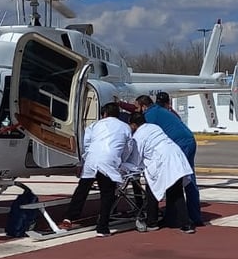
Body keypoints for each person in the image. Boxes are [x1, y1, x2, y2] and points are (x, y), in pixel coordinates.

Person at [60, 102, 132, 237]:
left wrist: (83, 160)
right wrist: (121, 159)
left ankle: (69, 216)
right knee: (107, 194)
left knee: (82, 189)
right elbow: (128, 147)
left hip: (92, 158)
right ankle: (102, 226)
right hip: (109, 160)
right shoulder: (125, 127)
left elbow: (86, 143)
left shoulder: (94, 125)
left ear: (104, 114)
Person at [136, 93, 205, 226]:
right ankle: (194, 216)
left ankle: (174, 218)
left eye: (137, 108)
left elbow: (145, 134)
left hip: (178, 143)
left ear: (143, 107)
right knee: (189, 178)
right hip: (189, 140)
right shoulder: (161, 111)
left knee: (173, 179)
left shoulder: (149, 116)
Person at [125, 112, 195, 233]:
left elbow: (136, 160)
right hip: (175, 155)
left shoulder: (138, 136)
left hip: (162, 161)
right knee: (176, 192)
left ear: (134, 125)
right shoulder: (154, 127)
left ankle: (152, 222)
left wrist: (124, 164)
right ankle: (186, 224)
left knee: (152, 191)